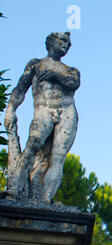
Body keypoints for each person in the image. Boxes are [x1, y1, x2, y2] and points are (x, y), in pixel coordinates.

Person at [4, 32, 80, 203]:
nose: (66, 45)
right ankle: (14, 189)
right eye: (63, 41)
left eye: (68, 43)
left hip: (67, 110)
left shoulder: (71, 71)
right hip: (43, 108)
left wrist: (54, 75)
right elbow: (20, 88)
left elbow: (73, 83)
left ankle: (45, 200)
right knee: (33, 145)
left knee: (58, 157)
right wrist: (11, 108)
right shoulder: (36, 64)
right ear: (51, 42)